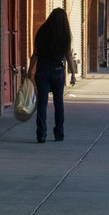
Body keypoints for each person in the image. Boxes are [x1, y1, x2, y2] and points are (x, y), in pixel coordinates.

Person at [28, 8, 78, 143]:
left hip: (42, 70)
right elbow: (68, 55)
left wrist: (29, 71)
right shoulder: (65, 35)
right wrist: (73, 74)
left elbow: (35, 54)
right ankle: (59, 133)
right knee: (58, 103)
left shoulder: (42, 32)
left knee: (42, 103)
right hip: (57, 71)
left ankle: (41, 134)